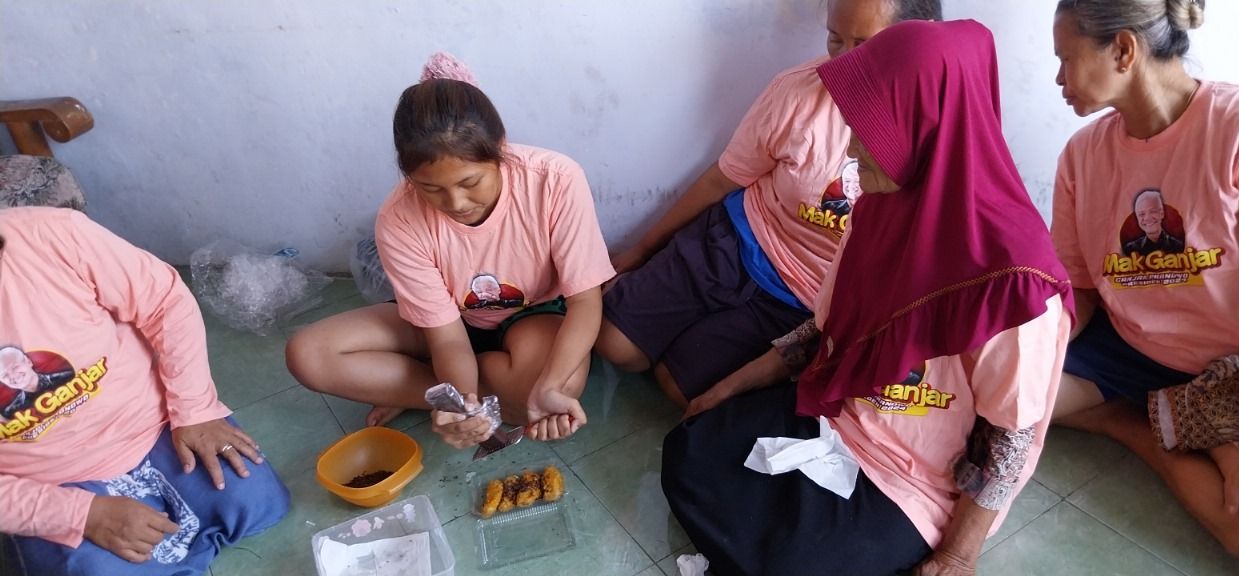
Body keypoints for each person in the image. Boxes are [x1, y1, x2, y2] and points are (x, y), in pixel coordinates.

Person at [662, 20, 1074, 576]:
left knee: (789, 555)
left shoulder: (1016, 284)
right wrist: (734, 384)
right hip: (844, 417)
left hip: (918, 481)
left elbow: (1012, 434)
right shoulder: (879, 214)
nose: (852, 148)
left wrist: (958, 553)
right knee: (688, 453)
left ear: (925, 126)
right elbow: (831, 331)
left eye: (866, 130)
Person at [594, 0, 943, 416]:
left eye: (866, 43)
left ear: (919, 40)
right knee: (614, 342)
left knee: (678, 385)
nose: (846, 61)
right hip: (734, 243)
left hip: (801, 299)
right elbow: (722, 178)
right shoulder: (799, 90)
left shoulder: (936, 132)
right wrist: (641, 250)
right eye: (835, 38)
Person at [1049, 0, 1239, 567]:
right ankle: (1141, 422)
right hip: (1125, 350)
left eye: (1066, 58)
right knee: (998, 401)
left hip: (1236, 364)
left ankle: (1150, 423)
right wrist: (1030, 347)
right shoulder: (1081, 156)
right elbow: (1075, 290)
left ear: (1123, 50)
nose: (1057, 78)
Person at [286, 54, 614, 445]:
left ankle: (414, 386)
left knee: (546, 390)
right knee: (308, 355)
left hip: (533, 315)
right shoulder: (399, 218)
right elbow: (446, 337)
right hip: (442, 324)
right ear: (408, 176)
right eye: (430, 188)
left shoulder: (555, 180)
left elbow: (586, 302)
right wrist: (460, 406)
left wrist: (551, 386)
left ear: (501, 150)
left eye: (471, 181)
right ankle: (456, 398)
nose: (456, 202)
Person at [0, 207, 289, 576]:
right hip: (46, 482)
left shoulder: (51, 234)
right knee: (95, 570)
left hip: (150, 427)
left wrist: (195, 410)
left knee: (257, 500)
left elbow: (164, 301)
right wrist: (79, 515)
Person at [1120, 189, 1185, 255]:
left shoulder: (1178, 247)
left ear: (1162, 213)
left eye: (1152, 211)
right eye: (1141, 214)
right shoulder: (1130, 249)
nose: (1147, 218)